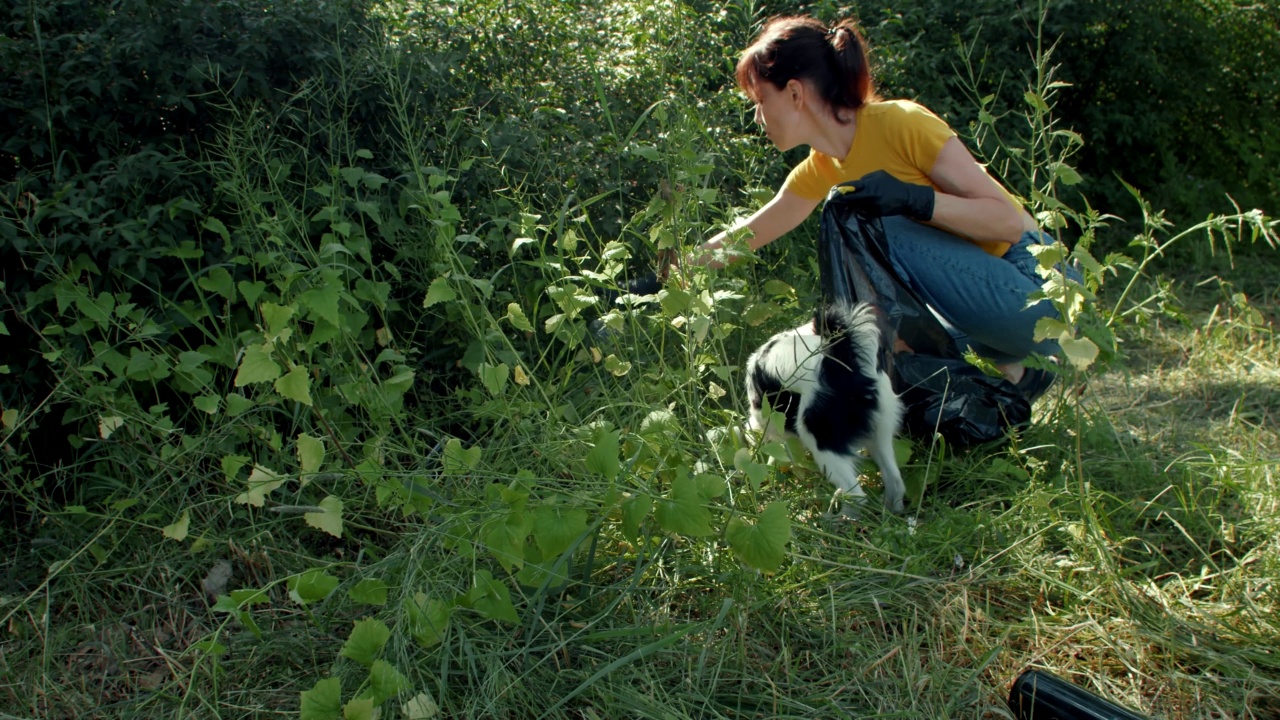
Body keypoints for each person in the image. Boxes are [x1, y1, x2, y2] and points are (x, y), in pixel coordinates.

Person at [679, 16, 1076, 400]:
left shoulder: (901, 123)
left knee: (877, 234)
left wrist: (913, 199)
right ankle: (1021, 377)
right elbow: (748, 235)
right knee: (863, 348)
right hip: (985, 310)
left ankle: (1023, 358)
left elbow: (1007, 224)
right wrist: (672, 272)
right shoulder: (821, 168)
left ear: (795, 93)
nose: (757, 115)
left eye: (761, 99)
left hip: (1040, 288)